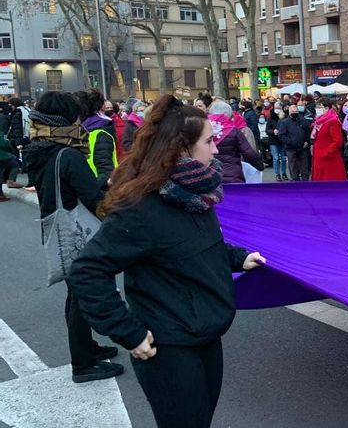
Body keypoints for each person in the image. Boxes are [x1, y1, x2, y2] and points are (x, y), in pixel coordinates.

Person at [67, 95, 265, 427]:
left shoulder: (198, 195)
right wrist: (127, 332)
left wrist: (238, 258)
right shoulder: (142, 208)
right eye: (208, 141)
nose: (216, 150)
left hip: (205, 335)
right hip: (168, 347)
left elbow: (195, 246)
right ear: (182, 149)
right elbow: (87, 272)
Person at [21, 91, 123, 383]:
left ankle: (87, 347)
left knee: (74, 294)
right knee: (82, 296)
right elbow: (93, 197)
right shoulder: (67, 154)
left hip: (57, 226)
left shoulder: (39, 147)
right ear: (66, 118)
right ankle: (82, 363)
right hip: (77, 231)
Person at [207, 100, 264, 183]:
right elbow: (248, 152)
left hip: (209, 175)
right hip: (233, 175)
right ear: (229, 115)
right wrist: (260, 166)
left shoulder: (202, 129)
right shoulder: (233, 131)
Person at [76, 90, 118, 188]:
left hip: (97, 194)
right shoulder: (82, 131)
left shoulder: (101, 135)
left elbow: (107, 173)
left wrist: (87, 187)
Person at [311, 98, 347, 181]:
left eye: (319, 107)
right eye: (317, 107)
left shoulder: (333, 121)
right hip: (319, 157)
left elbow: (338, 141)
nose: (317, 109)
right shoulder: (319, 121)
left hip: (329, 158)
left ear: (327, 108)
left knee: (329, 181)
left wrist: (326, 152)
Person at [277, 101, 311, 181]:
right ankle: (295, 183)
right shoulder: (284, 122)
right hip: (291, 148)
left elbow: (307, 132)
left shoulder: (303, 120)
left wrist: (306, 141)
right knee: (293, 168)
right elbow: (281, 135)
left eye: (296, 111)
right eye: (292, 111)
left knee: (304, 168)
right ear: (289, 112)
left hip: (303, 147)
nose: (294, 112)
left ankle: (305, 183)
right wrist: (290, 142)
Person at [266, 105, 287, 181]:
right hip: (273, 140)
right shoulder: (270, 118)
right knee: (276, 158)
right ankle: (277, 174)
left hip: (282, 140)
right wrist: (273, 131)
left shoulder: (284, 117)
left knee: (284, 158)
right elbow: (267, 130)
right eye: (276, 108)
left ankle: (284, 173)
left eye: (279, 108)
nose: (277, 110)